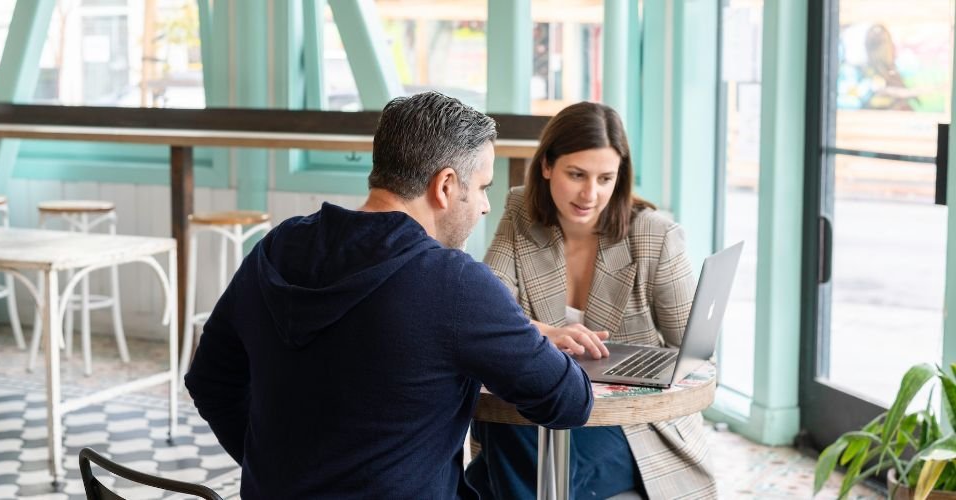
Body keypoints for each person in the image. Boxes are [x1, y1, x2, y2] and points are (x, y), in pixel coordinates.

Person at [184, 91, 594, 499]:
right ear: (446, 186)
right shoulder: (454, 283)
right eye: (483, 186)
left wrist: (274, 475)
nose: (486, 206)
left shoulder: (277, 247)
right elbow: (570, 401)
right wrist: (526, 336)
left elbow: (209, 381)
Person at [466, 102, 717, 499]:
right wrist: (545, 333)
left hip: (631, 427)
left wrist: (631, 379)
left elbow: (695, 356)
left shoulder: (654, 236)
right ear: (547, 165)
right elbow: (484, 314)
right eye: (576, 175)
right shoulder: (520, 211)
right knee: (510, 433)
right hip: (542, 408)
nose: (591, 193)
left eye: (606, 178)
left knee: (491, 468)